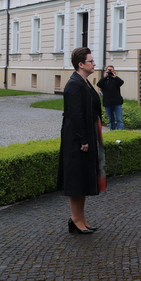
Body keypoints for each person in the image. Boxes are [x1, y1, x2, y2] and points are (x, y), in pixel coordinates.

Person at [57, 47, 106, 234]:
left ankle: (81, 218)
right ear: (81, 64)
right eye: (91, 61)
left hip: (86, 135)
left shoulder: (84, 82)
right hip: (77, 138)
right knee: (76, 179)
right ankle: (75, 219)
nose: (94, 64)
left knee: (84, 178)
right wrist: (83, 140)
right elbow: (75, 115)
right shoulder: (74, 84)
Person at [96, 65, 125, 130]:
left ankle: (121, 132)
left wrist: (115, 77)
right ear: (105, 71)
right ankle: (112, 131)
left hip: (117, 102)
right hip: (107, 103)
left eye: (111, 70)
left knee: (119, 119)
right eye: (108, 70)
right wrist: (104, 77)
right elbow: (98, 84)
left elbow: (121, 82)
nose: (109, 72)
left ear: (113, 71)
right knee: (111, 120)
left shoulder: (115, 79)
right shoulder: (104, 80)